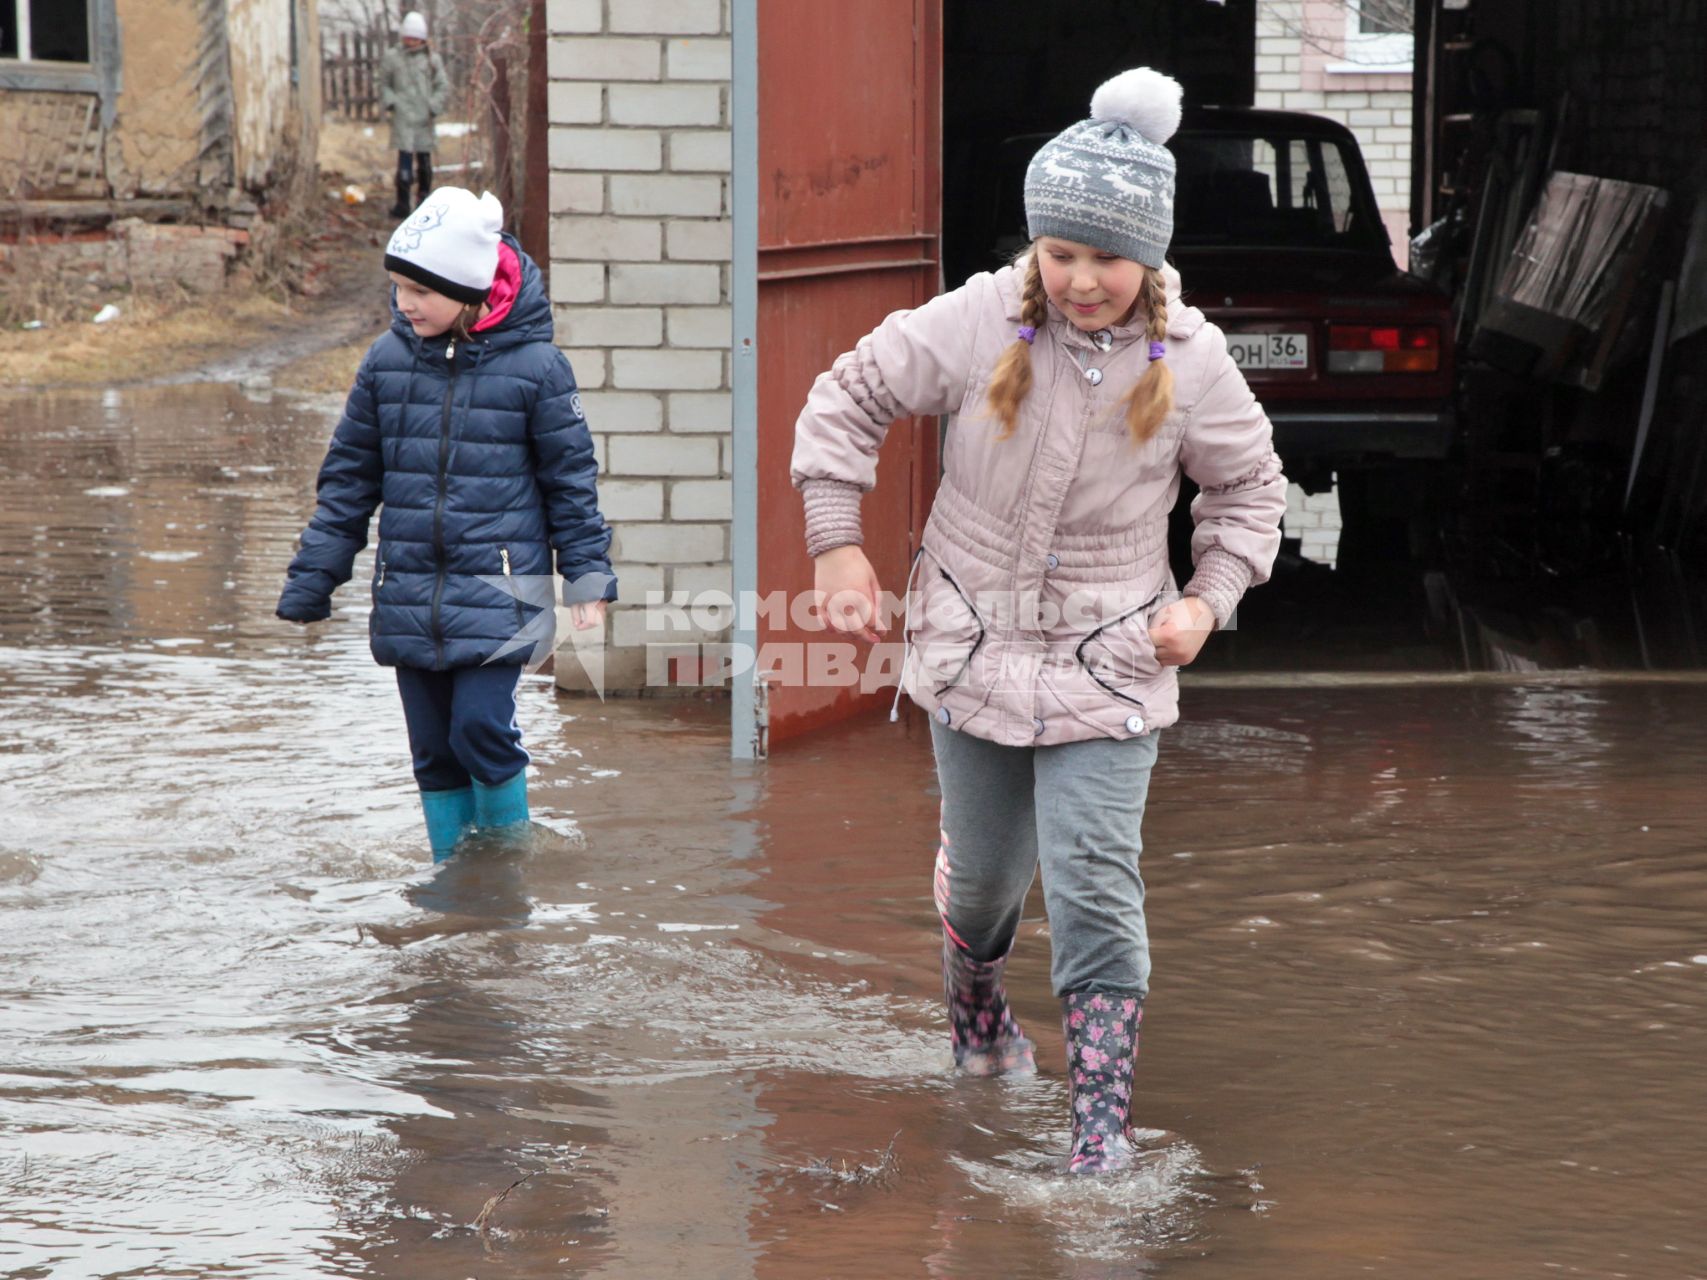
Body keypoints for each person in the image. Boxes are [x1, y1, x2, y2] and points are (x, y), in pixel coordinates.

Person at [790, 68, 1287, 1173]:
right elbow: (849, 393)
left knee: (1095, 879)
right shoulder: (980, 318)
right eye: (1060, 253)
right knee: (982, 883)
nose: (1079, 279)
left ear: (1147, 257)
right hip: (969, 643)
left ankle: (1096, 1134)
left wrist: (1207, 601)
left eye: (1105, 258)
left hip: (1113, 663)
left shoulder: (1194, 363)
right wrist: (838, 544)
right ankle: (978, 1008)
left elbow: (1253, 492)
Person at [276, 187, 616, 861]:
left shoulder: (538, 370)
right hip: (407, 594)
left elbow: (569, 484)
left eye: (421, 291)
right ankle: (453, 881)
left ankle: (506, 863)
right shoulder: (385, 364)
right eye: (398, 287)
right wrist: (314, 576)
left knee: (480, 728)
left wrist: (586, 576)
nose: (404, 303)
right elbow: (348, 482)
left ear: (469, 288)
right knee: (432, 750)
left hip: (499, 593)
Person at [380, 10, 450, 217]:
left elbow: (442, 85)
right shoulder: (393, 57)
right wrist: (391, 102)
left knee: (425, 163)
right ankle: (402, 204)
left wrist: (432, 106)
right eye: (408, 36)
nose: (411, 41)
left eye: (415, 37)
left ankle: (424, 203)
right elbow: (383, 83)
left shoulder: (432, 59)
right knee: (404, 164)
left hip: (424, 120)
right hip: (403, 119)